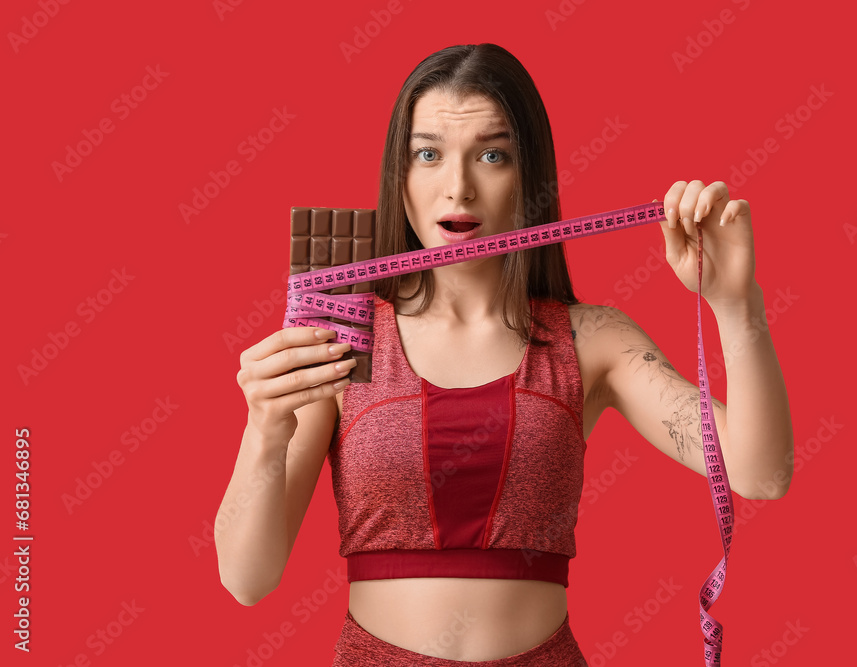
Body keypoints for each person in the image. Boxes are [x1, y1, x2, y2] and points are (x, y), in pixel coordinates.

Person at [216, 43, 794, 666]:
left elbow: (760, 474)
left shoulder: (590, 340)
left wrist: (736, 305)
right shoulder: (345, 334)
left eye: (491, 155)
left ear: (530, 176)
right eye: (428, 154)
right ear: (399, 175)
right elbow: (248, 580)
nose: (458, 186)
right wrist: (265, 426)